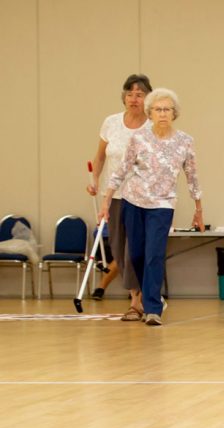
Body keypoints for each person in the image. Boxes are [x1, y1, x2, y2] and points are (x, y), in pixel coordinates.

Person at [99, 87, 203, 326]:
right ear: (151, 113)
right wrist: (107, 200)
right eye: (158, 109)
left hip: (163, 204)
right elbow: (121, 171)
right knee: (136, 254)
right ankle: (148, 295)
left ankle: (153, 308)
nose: (163, 113)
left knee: (154, 254)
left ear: (174, 113)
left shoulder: (184, 142)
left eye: (167, 109)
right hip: (133, 201)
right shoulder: (139, 139)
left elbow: (192, 177)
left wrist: (198, 210)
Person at [86, 74, 152, 312]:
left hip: (142, 197)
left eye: (139, 94)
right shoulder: (111, 122)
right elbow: (101, 157)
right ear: (124, 97)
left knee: (134, 247)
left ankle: (137, 299)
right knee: (117, 247)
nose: (134, 99)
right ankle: (138, 292)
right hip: (113, 195)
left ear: (147, 98)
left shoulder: (152, 126)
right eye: (130, 93)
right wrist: (94, 180)